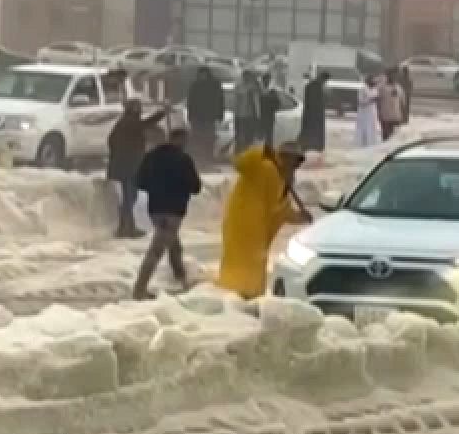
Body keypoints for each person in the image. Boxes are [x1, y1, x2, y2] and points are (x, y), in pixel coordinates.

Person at [215, 141, 311, 299]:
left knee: (255, 266)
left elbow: (281, 209)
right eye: (293, 160)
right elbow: (240, 164)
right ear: (283, 157)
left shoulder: (283, 181)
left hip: (258, 232)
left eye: (297, 163)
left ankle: (250, 299)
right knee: (237, 265)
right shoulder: (264, 166)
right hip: (241, 224)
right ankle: (232, 299)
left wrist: (299, 217)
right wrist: (260, 151)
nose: (295, 166)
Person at [132, 125, 203, 299]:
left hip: (156, 209)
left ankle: (180, 276)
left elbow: (139, 181)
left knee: (173, 243)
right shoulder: (183, 160)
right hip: (173, 210)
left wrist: (155, 187)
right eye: (186, 140)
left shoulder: (151, 157)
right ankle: (139, 289)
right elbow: (196, 187)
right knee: (156, 250)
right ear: (180, 139)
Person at [107, 97, 165, 239]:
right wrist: (162, 113)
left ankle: (128, 227)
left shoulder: (122, 123)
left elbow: (111, 141)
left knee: (129, 197)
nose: (140, 109)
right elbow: (147, 124)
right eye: (138, 107)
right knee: (130, 197)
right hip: (129, 167)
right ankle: (124, 228)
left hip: (123, 166)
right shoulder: (130, 123)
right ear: (133, 109)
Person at [186, 66, 224, 167]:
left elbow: (220, 100)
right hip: (197, 116)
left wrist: (220, 114)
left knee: (209, 137)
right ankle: (200, 158)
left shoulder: (214, 85)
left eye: (203, 74)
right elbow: (190, 101)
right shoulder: (195, 85)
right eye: (200, 74)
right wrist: (190, 115)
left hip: (209, 116)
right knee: (198, 137)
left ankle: (208, 157)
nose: (202, 76)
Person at [233, 70, 264, 152]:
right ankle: (239, 153)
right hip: (240, 115)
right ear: (243, 77)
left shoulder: (254, 87)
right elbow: (236, 99)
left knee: (249, 137)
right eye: (245, 76)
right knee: (239, 137)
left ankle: (247, 153)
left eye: (249, 76)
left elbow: (261, 95)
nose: (247, 78)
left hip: (251, 116)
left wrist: (257, 84)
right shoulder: (239, 86)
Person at [301, 69, 327, 155]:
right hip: (314, 113)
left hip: (310, 113)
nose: (325, 82)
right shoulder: (316, 86)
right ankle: (314, 146)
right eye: (325, 80)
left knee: (309, 130)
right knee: (313, 130)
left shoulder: (311, 85)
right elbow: (314, 102)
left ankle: (309, 146)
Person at [355, 73, 383, 147]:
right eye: (371, 80)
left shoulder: (375, 89)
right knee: (363, 129)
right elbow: (360, 101)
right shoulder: (363, 89)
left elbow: (377, 99)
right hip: (363, 113)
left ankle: (371, 144)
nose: (374, 82)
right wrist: (370, 100)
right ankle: (362, 144)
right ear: (367, 81)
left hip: (372, 112)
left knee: (372, 128)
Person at [378, 67, 405, 141]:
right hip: (385, 114)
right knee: (386, 134)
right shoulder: (382, 87)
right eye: (391, 75)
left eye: (395, 76)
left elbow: (402, 101)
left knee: (394, 136)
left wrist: (402, 115)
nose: (393, 77)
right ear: (388, 76)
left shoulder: (398, 87)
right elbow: (378, 100)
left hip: (395, 115)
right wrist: (378, 113)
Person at [396, 63, 414, 130]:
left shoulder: (402, 78)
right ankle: (404, 119)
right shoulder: (407, 78)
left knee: (403, 107)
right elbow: (411, 87)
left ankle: (404, 119)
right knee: (404, 107)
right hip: (405, 94)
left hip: (405, 94)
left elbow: (410, 87)